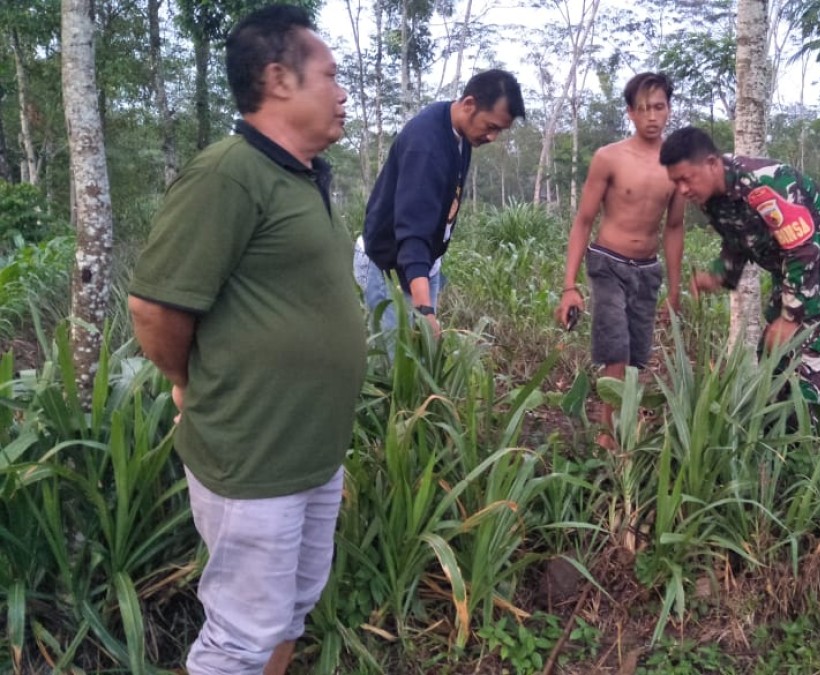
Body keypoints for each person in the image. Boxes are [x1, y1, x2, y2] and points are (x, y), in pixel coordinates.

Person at [127, 6, 366, 673]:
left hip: (311, 453)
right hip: (253, 457)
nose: (343, 92)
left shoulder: (301, 177)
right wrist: (186, 381)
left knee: (289, 613)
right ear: (280, 79)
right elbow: (154, 306)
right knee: (240, 637)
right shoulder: (227, 174)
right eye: (330, 75)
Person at [659, 126, 820, 410]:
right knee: (773, 350)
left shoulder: (763, 184)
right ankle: (774, 424)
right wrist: (718, 274)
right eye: (676, 182)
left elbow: (804, 249)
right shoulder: (710, 197)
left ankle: (806, 429)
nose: (682, 190)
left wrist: (791, 316)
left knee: (813, 348)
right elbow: (739, 239)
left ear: (711, 163)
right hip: (793, 263)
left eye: (686, 179)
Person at [554, 72, 685, 443]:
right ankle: (607, 437)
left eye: (659, 107)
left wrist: (675, 290)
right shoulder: (609, 157)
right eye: (643, 109)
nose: (652, 116)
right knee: (617, 350)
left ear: (669, 109)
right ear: (630, 112)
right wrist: (569, 286)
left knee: (636, 358)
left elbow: (674, 227)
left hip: (647, 270)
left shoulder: (676, 164)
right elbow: (583, 221)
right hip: (608, 263)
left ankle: (621, 425)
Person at [362, 69, 525, 336]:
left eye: (499, 130)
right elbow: (412, 233)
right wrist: (425, 309)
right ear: (469, 104)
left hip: (422, 264)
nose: (492, 137)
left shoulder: (458, 131)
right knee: (400, 357)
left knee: (425, 353)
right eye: (491, 127)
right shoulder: (425, 145)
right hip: (388, 268)